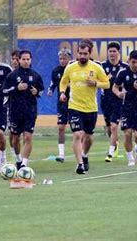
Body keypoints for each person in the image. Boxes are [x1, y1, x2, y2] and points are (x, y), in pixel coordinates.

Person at [59, 40, 110, 174]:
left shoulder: (96, 67)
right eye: (80, 53)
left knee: (88, 137)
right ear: (77, 53)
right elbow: (63, 81)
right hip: (74, 106)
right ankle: (80, 164)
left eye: (85, 54)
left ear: (89, 53)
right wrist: (63, 92)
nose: (82, 56)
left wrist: (95, 83)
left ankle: (85, 155)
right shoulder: (71, 67)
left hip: (91, 108)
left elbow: (107, 84)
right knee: (77, 134)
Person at [3, 49, 44, 170]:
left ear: (31, 60)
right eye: (23, 59)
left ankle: (24, 165)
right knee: (15, 139)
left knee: (28, 137)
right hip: (15, 112)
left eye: (28, 59)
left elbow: (41, 91)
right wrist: (16, 88)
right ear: (19, 60)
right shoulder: (12, 76)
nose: (26, 61)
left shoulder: (35, 75)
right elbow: (4, 91)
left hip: (30, 111)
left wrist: (36, 92)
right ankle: (18, 159)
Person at [113, 50, 137, 166]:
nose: (136, 65)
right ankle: (131, 159)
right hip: (126, 107)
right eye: (133, 62)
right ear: (129, 61)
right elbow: (115, 87)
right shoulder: (123, 73)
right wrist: (119, 94)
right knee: (127, 133)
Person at [101, 42, 128, 163]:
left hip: (119, 100)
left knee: (114, 126)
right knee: (109, 127)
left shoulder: (125, 67)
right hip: (106, 100)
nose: (112, 54)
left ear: (119, 53)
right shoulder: (102, 66)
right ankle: (114, 143)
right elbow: (98, 81)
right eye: (110, 51)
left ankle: (110, 153)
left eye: (114, 51)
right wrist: (106, 79)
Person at [47, 49, 72, 163]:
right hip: (62, 103)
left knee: (77, 130)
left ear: (69, 59)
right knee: (61, 127)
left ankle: (81, 153)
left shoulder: (73, 70)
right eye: (61, 58)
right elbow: (53, 83)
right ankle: (61, 154)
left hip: (75, 103)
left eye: (65, 58)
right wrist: (51, 90)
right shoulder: (56, 71)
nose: (62, 61)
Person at [8, 49, 20, 160]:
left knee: (27, 134)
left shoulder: (28, 73)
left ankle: (23, 158)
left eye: (17, 59)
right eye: (13, 59)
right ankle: (14, 154)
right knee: (13, 133)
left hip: (25, 108)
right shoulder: (9, 74)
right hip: (11, 107)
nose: (15, 61)